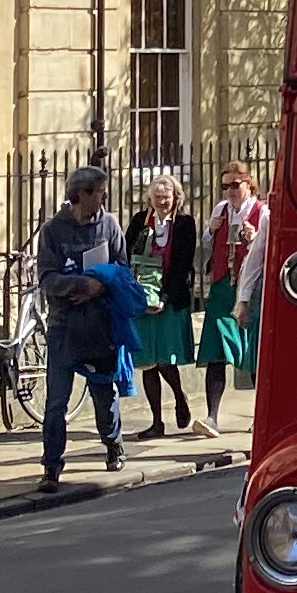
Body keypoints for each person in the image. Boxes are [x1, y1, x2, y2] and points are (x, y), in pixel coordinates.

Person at [33, 165, 130, 488]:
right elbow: (46, 278)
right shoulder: (53, 231)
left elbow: (122, 269)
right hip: (63, 325)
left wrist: (100, 286)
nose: (103, 199)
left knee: (104, 392)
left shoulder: (110, 225)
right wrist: (78, 285)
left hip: (99, 324)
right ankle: (51, 466)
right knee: (57, 400)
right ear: (81, 194)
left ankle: (113, 440)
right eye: (99, 193)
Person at [125, 171, 205, 438]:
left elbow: (183, 263)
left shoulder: (184, 223)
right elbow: (127, 254)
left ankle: (180, 397)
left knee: (165, 358)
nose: (162, 202)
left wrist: (164, 297)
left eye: (166, 197)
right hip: (143, 298)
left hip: (170, 296)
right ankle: (156, 421)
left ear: (175, 197)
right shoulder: (140, 221)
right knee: (148, 361)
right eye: (157, 197)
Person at [197, 165, 266, 422]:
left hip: (251, 288)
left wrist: (255, 236)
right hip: (222, 285)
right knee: (215, 349)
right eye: (225, 186)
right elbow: (206, 242)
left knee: (253, 353)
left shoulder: (262, 211)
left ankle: (259, 417)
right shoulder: (220, 210)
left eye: (235, 185)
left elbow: (270, 246)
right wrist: (211, 229)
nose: (230, 191)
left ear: (249, 184)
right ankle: (211, 416)